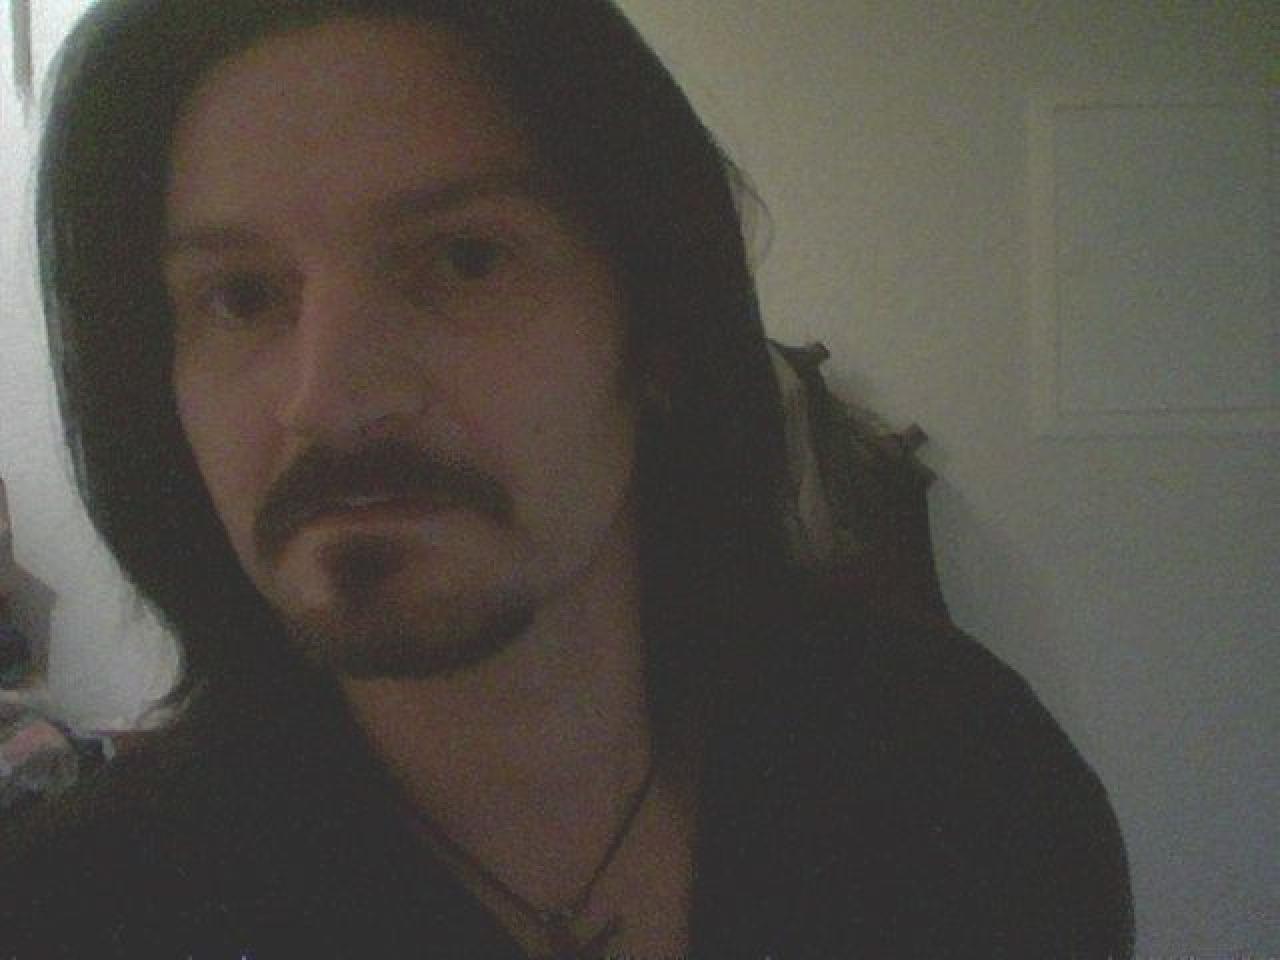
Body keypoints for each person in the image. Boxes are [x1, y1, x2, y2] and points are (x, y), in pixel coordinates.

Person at [0, 1, 1133, 956]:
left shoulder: (957, 782)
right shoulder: (86, 915)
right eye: (241, 296)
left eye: (465, 259)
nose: (330, 399)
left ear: (655, 327)